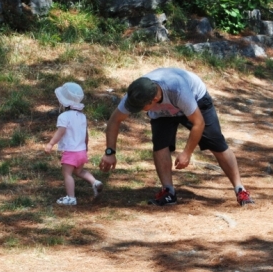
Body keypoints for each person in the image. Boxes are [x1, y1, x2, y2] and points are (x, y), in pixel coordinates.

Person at [99, 67, 254, 207]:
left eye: (140, 108)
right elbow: (114, 121)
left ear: (153, 100)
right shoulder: (136, 95)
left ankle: (240, 189)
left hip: (195, 101)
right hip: (162, 111)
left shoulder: (178, 90)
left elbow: (198, 123)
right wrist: (110, 152)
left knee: (216, 143)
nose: (137, 110)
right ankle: (168, 192)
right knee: (160, 144)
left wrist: (187, 153)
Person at [45, 82, 103, 206]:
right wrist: (86, 147)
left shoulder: (64, 116)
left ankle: (71, 198)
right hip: (81, 151)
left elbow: (61, 132)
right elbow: (86, 134)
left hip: (70, 152)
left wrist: (51, 143)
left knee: (67, 174)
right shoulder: (82, 116)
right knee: (79, 171)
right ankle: (95, 182)